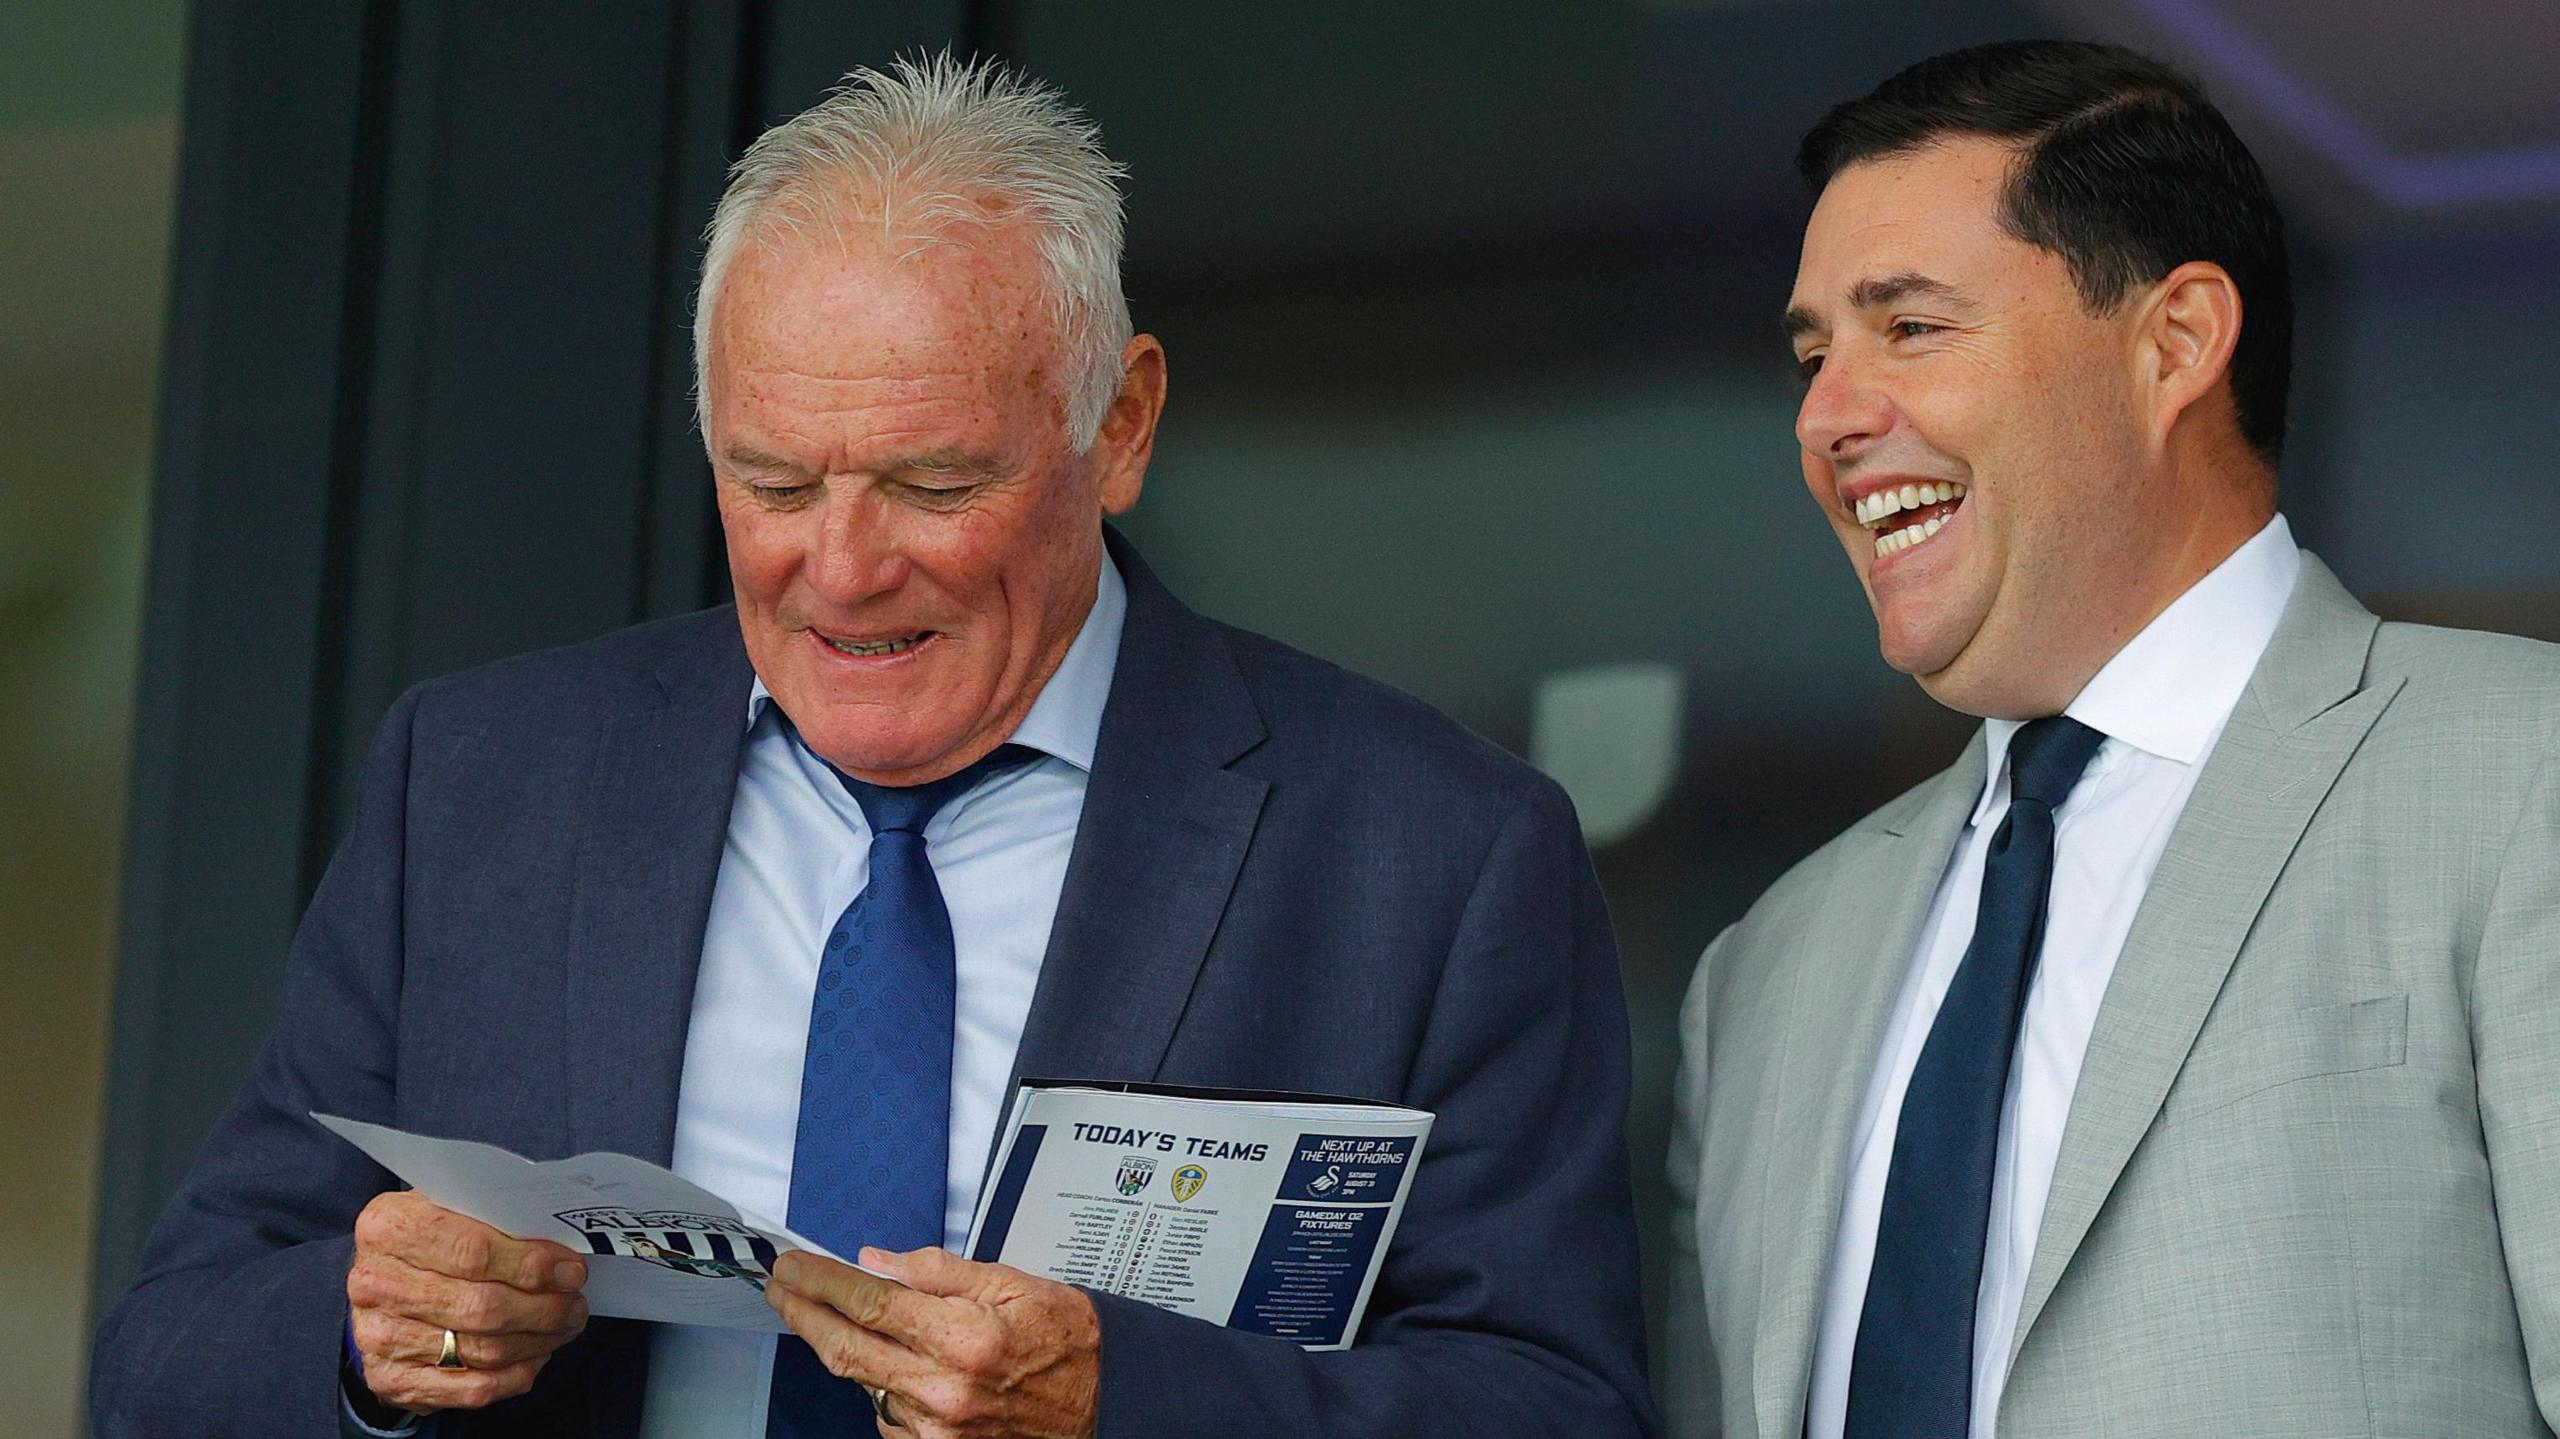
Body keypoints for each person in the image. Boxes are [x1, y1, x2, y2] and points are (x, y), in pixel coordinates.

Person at [91, 55, 1656, 1439]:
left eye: (928, 482)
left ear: (1120, 426)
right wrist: (374, 1343)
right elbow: (166, 1353)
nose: (839, 569)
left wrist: (1128, 1404)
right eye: (773, 484)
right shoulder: (485, 781)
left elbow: (1554, 1404)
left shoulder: (1429, 852)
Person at [1666, 39, 2560, 1439]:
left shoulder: (2522, 776)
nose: (1827, 415)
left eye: (1908, 327)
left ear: (2177, 343)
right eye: (1812, 353)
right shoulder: (1766, 972)